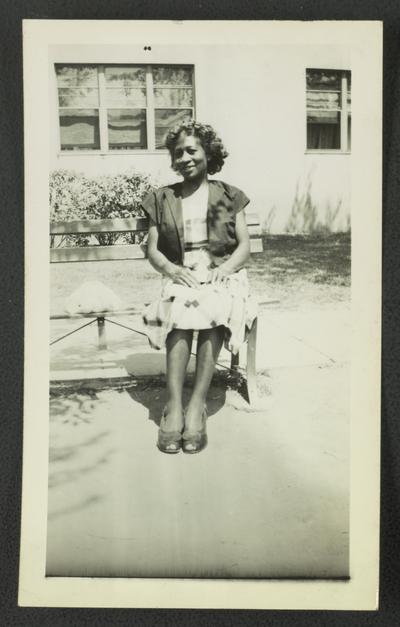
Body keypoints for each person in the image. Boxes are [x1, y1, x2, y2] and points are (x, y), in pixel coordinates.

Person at [141, 120, 256, 454]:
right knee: (178, 304)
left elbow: (244, 247)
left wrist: (227, 269)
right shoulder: (161, 198)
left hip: (222, 271)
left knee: (215, 304)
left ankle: (197, 406)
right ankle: (174, 406)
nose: (185, 157)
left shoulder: (230, 196)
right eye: (179, 153)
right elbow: (152, 250)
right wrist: (172, 270)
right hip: (181, 272)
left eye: (192, 150)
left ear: (209, 153)